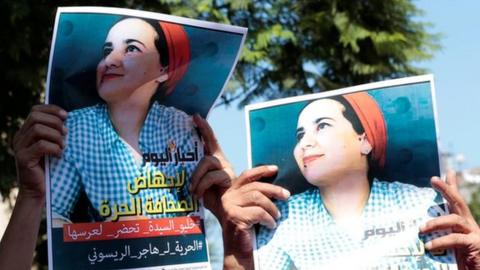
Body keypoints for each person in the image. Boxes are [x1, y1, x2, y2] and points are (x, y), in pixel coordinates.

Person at [188, 92, 480, 269]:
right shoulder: (278, 220)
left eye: (323, 126)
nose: (306, 144)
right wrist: (234, 242)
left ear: (364, 140)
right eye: (300, 136)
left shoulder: (421, 205)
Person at [49, 17, 199, 224]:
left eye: (131, 49)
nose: (109, 61)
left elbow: (202, 208)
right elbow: (54, 213)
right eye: (107, 51)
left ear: (165, 70)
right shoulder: (74, 128)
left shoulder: (181, 126)